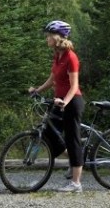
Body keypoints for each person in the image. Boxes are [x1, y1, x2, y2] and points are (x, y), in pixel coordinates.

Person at [28, 21, 85, 193]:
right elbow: (52, 79)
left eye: (48, 35)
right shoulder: (57, 55)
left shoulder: (71, 57)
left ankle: (76, 183)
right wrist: (37, 89)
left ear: (58, 37)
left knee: (72, 139)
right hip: (59, 100)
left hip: (72, 102)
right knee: (49, 135)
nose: (46, 38)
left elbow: (74, 85)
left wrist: (65, 102)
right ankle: (74, 162)